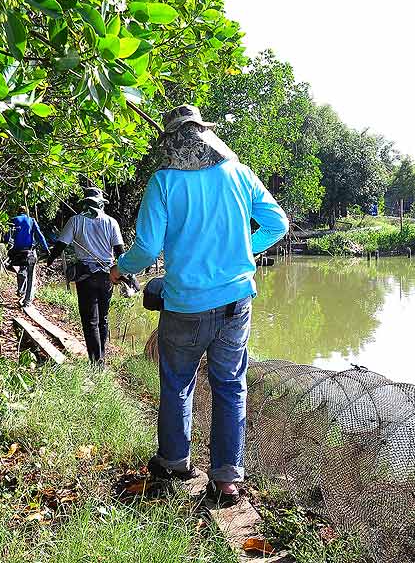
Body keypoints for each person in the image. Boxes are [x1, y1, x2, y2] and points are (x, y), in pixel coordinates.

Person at [110, 104, 288, 506]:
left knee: (176, 383)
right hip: (236, 301)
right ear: (206, 135)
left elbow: (147, 249)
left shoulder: (163, 182)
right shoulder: (240, 174)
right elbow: (278, 224)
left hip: (184, 305)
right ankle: (226, 480)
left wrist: (120, 270)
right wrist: (246, 251)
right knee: (229, 386)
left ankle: (174, 461)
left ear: (171, 141)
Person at [47, 188, 124, 363]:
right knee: (102, 319)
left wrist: (50, 259)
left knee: (91, 321)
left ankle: (96, 362)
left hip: (86, 277)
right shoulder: (111, 222)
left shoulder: (75, 221)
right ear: (101, 203)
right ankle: (101, 358)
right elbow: (120, 252)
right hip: (107, 276)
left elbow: (60, 245)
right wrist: (124, 272)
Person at [4, 208, 49, 307]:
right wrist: (46, 249)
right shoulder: (31, 220)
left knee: (21, 269)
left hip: (16, 252)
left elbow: (7, 237)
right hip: (29, 252)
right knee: (30, 276)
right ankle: (27, 300)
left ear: (18, 212)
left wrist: (7, 244)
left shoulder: (13, 220)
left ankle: (21, 290)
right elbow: (40, 236)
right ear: (26, 212)